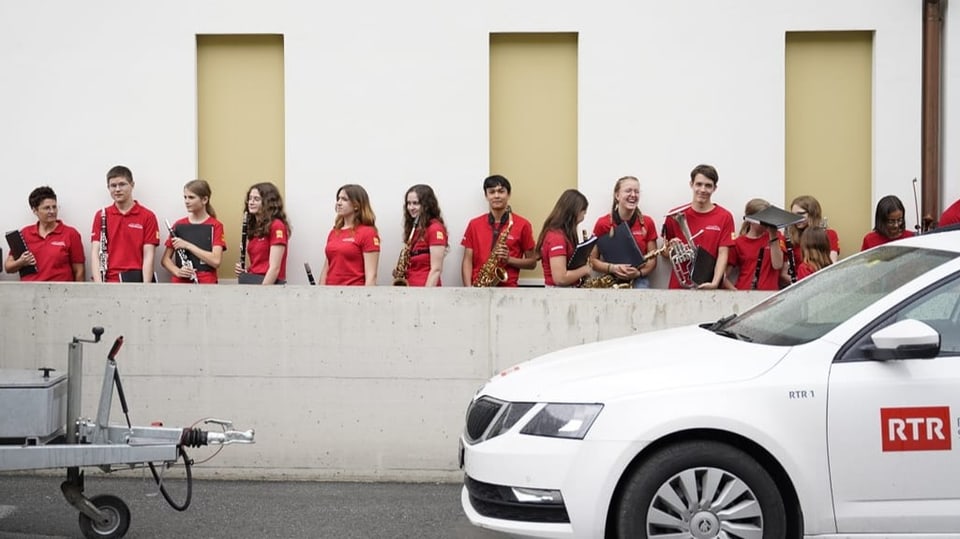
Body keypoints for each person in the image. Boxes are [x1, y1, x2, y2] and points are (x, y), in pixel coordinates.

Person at [660, 164, 735, 289]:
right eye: (699, 184)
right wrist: (672, 249)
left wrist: (715, 283)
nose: (703, 190)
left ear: (714, 188)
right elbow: (664, 253)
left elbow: (723, 254)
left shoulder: (725, 216)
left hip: (708, 284)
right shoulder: (674, 215)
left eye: (708, 185)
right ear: (691, 184)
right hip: (679, 285)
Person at [460, 174, 537, 287]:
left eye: (501, 191)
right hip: (479, 288)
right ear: (486, 196)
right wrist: (468, 288)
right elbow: (467, 261)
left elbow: (532, 263)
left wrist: (509, 260)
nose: (496, 196)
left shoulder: (523, 224)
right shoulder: (474, 224)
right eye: (492, 192)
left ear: (508, 194)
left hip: (508, 290)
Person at [90, 165, 159, 283]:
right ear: (108, 187)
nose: (117, 189)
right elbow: (95, 253)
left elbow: (149, 255)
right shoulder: (101, 215)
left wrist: (146, 288)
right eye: (113, 185)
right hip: (108, 281)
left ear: (132, 185)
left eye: (122, 184)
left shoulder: (148, 216)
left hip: (135, 281)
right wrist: (99, 285)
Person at [587, 176, 658, 288]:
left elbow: (653, 261)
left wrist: (638, 273)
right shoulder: (602, 223)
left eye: (636, 191)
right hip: (611, 279)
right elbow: (592, 260)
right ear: (617, 195)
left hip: (638, 280)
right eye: (628, 191)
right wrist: (613, 268)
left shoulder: (647, 222)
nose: (633, 195)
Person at [4, 186, 85, 281]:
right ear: (35, 210)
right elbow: (8, 267)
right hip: (29, 292)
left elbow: (79, 271)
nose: (52, 211)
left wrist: (76, 295)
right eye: (47, 208)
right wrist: (21, 262)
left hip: (60, 293)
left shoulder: (70, 233)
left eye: (54, 207)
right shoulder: (24, 233)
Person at [161, 180, 226, 284]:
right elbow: (165, 260)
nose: (186, 201)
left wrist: (187, 245)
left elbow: (216, 261)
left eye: (191, 197)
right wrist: (177, 271)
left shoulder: (216, 226)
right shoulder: (178, 225)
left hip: (206, 283)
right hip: (180, 282)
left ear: (204, 199)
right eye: (185, 197)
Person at [319, 184, 380, 286]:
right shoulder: (334, 232)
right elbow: (326, 268)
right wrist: (320, 292)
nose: (338, 203)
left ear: (356, 205)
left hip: (354, 295)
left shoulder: (368, 233)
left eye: (344, 199)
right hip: (330, 293)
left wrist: (366, 299)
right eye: (338, 199)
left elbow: (371, 276)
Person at [234, 182, 290, 284]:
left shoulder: (277, 226)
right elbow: (258, 264)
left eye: (256, 199)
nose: (251, 202)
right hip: (254, 282)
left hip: (268, 285)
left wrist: (262, 293)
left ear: (268, 202)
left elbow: (275, 268)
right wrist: (245, 271)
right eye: (250, 198)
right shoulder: (254, 227)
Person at [723, 198, 784, 291]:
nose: (766, 222)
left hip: (770, 294)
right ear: (751, 219)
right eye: (762, 218)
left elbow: (777, 265)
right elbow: (722, 275)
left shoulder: (776, 236)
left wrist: (773, 235)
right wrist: (736, 292)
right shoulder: (739, 243)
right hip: (746, 291)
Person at [536, 189, 592, 287]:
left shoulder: (562, 234)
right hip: (558, 294)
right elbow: (560, 278)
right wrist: (585, 270)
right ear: (576, 210)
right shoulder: (556, 238)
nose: (584, 216)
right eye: (584, 211)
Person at [395, 184, 447, 287]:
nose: (411, 207)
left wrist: (424, 296)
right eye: (408, 203)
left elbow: (436, 269)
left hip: (425, 290)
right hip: (410, 287)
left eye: (415, 203)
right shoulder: (415, 229)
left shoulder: (435, 228)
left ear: (427, 205)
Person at [786, 195, 840, 264]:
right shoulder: (791, 236)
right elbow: (784, 270)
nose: (796, 218)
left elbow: (832, 264)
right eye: (793, 215)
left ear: (812, 214)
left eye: (800, 213)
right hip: (799, 274)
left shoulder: (829, 234)